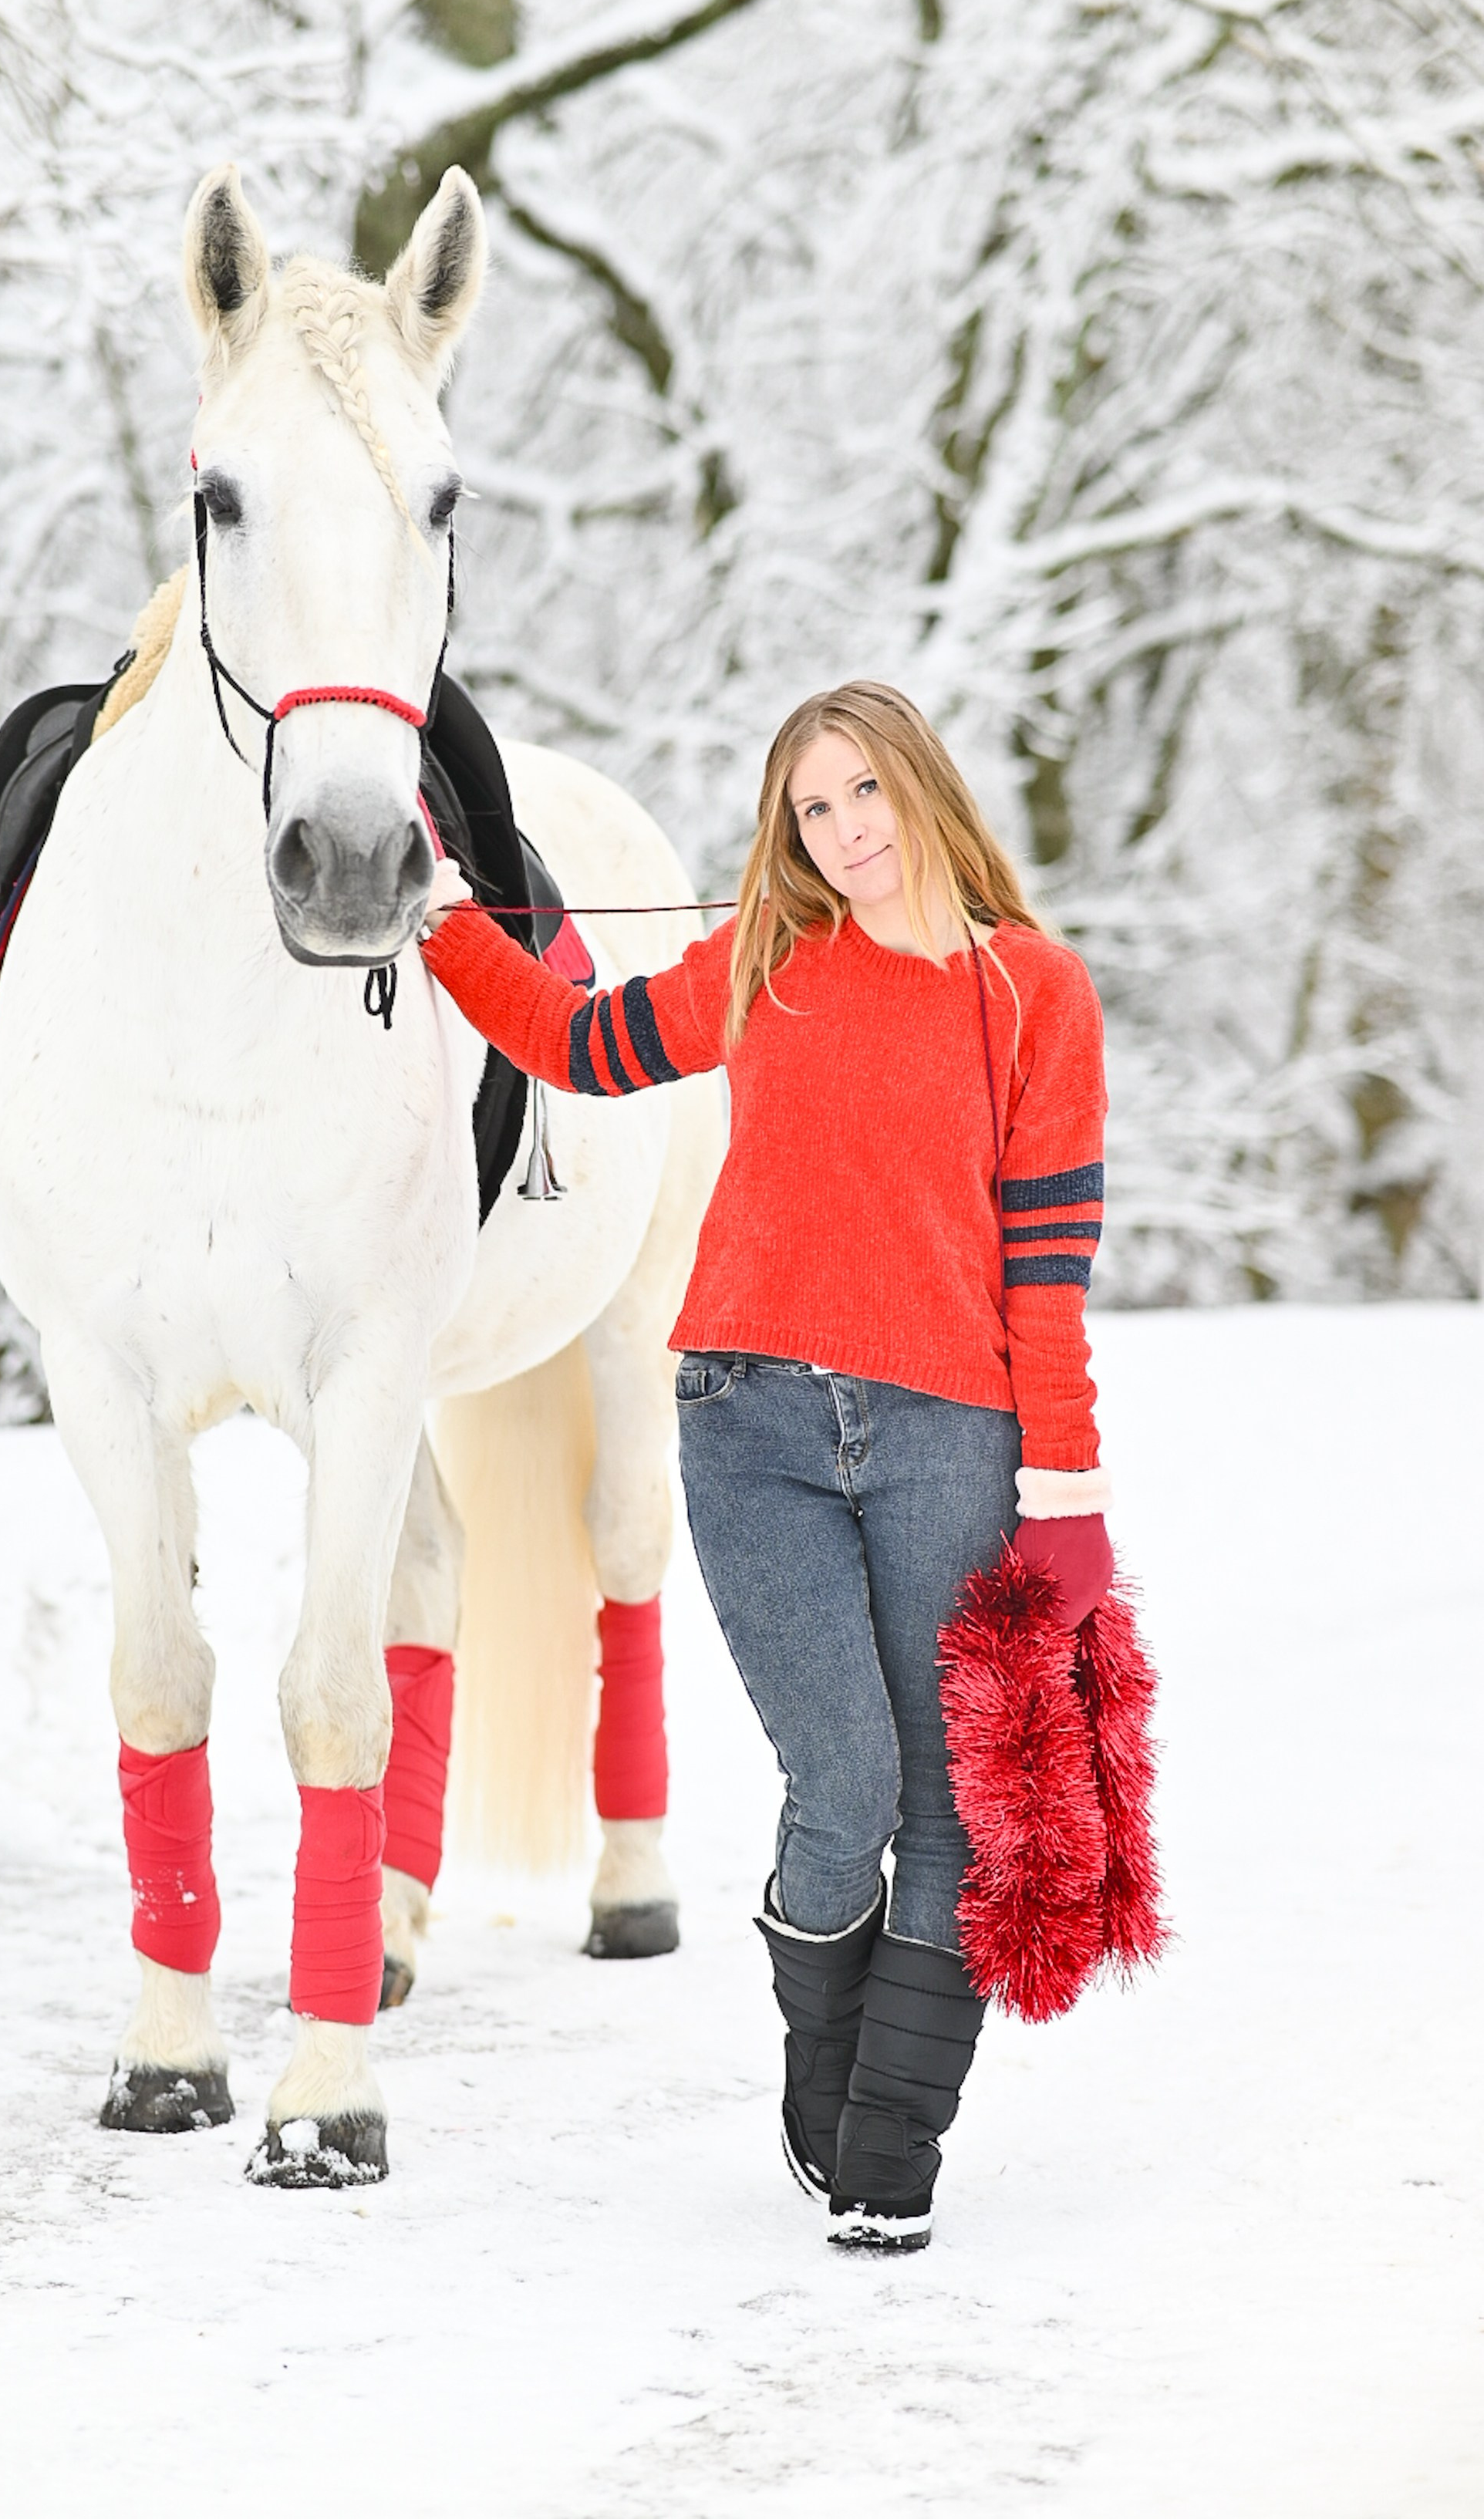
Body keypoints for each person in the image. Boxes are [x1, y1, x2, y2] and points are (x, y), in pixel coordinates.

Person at [419, 680, 1111, 2253]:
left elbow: (1049, 1268)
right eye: (812, 809)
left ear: (921, 788)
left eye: (864, 791)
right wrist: (449, 918)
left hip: (954, 1431)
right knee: (842, 1782)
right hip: (749, 1427)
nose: (845, 830)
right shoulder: (767, 962)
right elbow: (569, 1042)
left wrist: (1065, 1488)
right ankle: (829, 2066)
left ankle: (889, 2150)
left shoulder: (1033, 993)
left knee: (948, 1806)